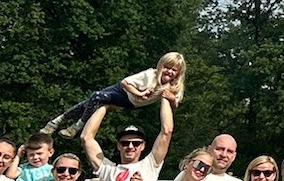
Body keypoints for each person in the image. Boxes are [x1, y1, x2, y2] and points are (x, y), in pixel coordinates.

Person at [40, 52, 185, 139]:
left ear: (178, 72)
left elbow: (176, 103)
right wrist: (140, 93)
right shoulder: (149, 75)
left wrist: (172, 99)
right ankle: (59, 121)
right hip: (123, 91)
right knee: (92, 100)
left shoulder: (174, 86)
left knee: (96, 97)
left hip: (129, 102)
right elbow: (125, 83)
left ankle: (75, 126)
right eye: (167, 67)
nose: (169, 72)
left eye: (174, 70)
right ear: (161, 66)